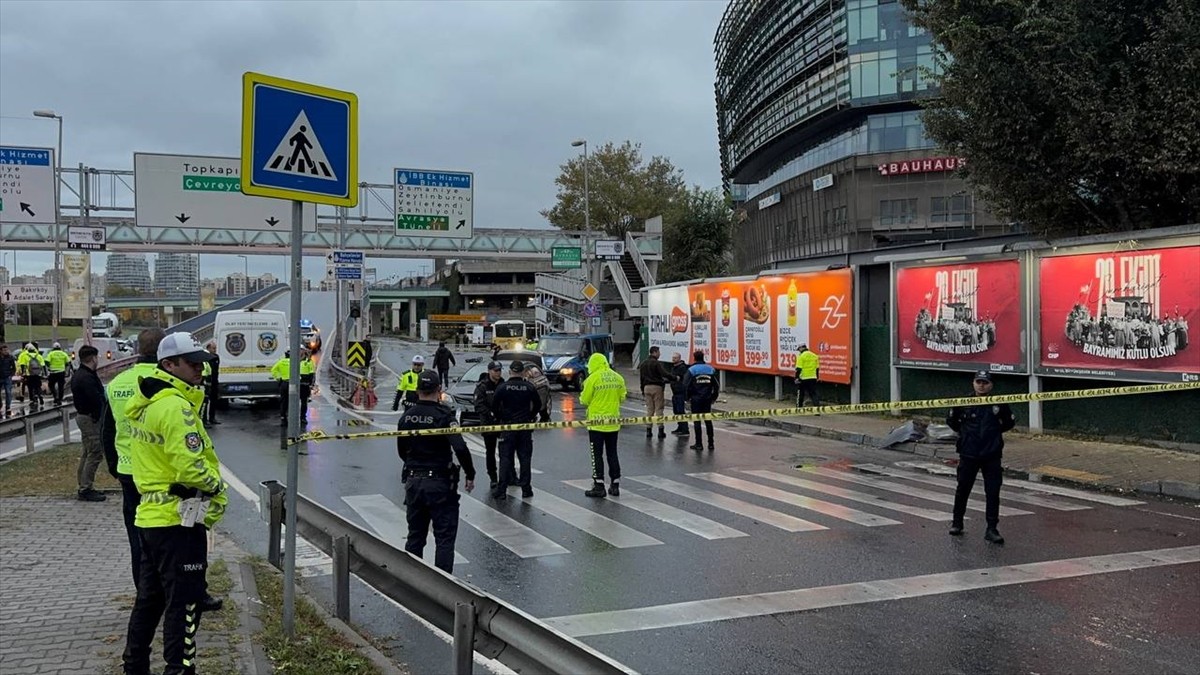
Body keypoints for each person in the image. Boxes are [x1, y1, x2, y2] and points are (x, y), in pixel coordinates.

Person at [122, 332, 226, 675]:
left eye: (202, 362)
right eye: (191, 363)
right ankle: (179, 670)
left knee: (149, 601)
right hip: (178, 519)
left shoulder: (147, 401)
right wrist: (217, 487)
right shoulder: (175, 406)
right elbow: (190, 467)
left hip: (150, 516)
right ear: (168, 365)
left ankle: (134, 666)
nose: (200, 369)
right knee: (185, 604)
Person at [103, 328, 165, 589]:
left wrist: (114, 467)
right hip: (161, 472)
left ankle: (143, 591)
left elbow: (107, 430)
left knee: (136, 535)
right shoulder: (168, 380)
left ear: (138, 349)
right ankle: (169, 589)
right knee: (168, 534)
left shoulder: (117, 383)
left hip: (128, 470)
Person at [396, 369, 476, 574]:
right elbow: (460, 448)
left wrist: (415, 463)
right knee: (444, 538)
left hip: (414, 483)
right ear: (439, 390)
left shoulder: (407, 417)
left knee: (415, 537)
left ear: (417, 390)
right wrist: (470, 474)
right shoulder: (444, 416)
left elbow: (401, 450)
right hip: (440, 484)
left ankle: (412, 582)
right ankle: (442, 585)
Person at [946, 369, 1016, 544]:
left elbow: (1008, 423)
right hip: (969, 453)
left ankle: (992, 528)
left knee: (992, 492)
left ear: (991, 385)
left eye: (985, 383)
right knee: (963, 489)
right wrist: (966, 435)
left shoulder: (999, 404)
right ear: (973, 383)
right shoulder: (963, 402)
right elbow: (952, 421)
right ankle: (957, 523)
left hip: (991, 454)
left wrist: (993, 434)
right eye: (979, 382)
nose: (982, 386)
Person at [490, 360, 541, 501]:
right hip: (524, 427)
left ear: (510, 371)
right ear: (523, 372)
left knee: (505, 458)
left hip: (508, 427)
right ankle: (526, 489)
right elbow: (538, 404)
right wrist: (530, 416)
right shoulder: (529, 387)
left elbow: (494, 406)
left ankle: (502, 490)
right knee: (525, 459)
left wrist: (501, 417)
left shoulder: (502, 387)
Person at [579, 352, 627, 498]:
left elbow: (584, 400)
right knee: (612, 453)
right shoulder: (617, 377)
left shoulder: (592, 378)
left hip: (596, 424)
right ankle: (615, 484)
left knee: (596, 455)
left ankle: (599, 485)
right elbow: (622, 397)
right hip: (613, 423)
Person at [71, 345, 108, 502]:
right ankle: (86, 488)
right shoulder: (86, 378)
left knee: (87, 453)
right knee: (95, 452)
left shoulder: (81, 374)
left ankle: (83, 485)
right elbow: (96, 399)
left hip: (85, 416)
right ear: (93, 358)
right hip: (90, 418)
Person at [472, 361, 505, 488]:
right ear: (489, 371)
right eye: (496, 370)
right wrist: (490, 413)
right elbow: (478, 405)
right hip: (488, 423)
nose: (498, 373)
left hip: (502, 422)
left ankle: (508, 475)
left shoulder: (503, 384)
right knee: (490, 452)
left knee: (506, 451)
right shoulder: (482, 386)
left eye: (499, 370)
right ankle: (493, 477)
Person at [683, 350, 719, 451]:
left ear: (694, 358)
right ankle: (711, 443)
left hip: (696, 399)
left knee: (697, 421)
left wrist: (687, 398)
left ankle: (699, 444)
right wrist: (714, 398)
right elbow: (716, 386)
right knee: (708, 420)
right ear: (703, 357)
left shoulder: (691, 370)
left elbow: (685, 385)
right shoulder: (710, 369)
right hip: (707, 399)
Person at [638, 345, 674, 438]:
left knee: (650, 409)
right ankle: (660, 430)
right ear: (654, 352)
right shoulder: (656, 363)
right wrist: (674, 378)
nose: (659, 354)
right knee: (659, 409)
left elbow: (641, 378)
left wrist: (642, 389)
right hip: (656, 387)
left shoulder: (643, 363)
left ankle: (648, 430)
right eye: (658, 352)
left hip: (646, 388)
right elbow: (664, 374)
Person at [668, 352, 690, 435]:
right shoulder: (674, 367)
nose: (673, 359)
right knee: (676, 411)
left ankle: (685, 429)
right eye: (673, 358)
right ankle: (680, 427)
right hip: (675, 392)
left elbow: (684, 380)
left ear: (679, 358)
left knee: (680, 411)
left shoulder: (682, 368)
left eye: (675, 358)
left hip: (680, 392)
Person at [19, 344, 45, 411]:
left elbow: (22, 365)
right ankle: (40, 395)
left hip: (29, 374)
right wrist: (44, 373)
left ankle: (33, 399)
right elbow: (43, 365)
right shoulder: (39, 356)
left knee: (31, 387)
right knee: (38, 386)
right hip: (38, 374)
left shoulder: (25, 356)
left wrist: (23, 373)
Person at [795, 343, 820, 409]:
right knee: (814, 394)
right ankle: (817, 409)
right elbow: (817, 368)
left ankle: (799, 408)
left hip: (803, 378)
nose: (799, 351)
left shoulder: (801, 356)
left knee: (800, 393)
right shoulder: (814, 356)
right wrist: (817, 377)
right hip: (813, 377)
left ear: (801, 348)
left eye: (799, 349)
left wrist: (796, 378)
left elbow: (798, 369)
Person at [270, 350, 292, 425]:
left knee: (283, 401)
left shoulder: (281, 362)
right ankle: (292, 417)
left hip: (284, 383)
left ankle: (283, 418)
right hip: (292, 384)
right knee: (292, 400)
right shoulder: (294, 362)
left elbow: (273, 370)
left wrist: (278, 378)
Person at [45, 341, 71, 406]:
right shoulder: (64, 354)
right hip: (61, 372)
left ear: (53, 348)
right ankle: (60, 399)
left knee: (51, 385)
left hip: (53, 372)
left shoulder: (51, 354)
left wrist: (49, 367)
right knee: (61, 386)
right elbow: (68, 362)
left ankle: (55, 396)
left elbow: (46, 361)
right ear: (60, 347)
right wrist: (65, 367)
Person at [202, 341, 221, 425]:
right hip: (207, 382)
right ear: (208, 348)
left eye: (215, 348)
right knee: (205, 402)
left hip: (214, 381)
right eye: (213, 348)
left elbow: (216, 370)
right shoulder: (205, 358)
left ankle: (212, 418)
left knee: (214, 400)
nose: (215, 350)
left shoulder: (216, 357)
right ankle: (204, 419)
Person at [298, 348, 316, 424]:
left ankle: (302, 417)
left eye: (302, 352)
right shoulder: (293, 361)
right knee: (292, 402)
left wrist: (311, 384)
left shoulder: (308, 362)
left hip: (304, 385)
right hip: (296, 385)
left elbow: (312, 374)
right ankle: (293, 417)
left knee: (304, 402)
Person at [0, 344, 15, 417]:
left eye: (7, 350)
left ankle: (8, 407)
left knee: (8, 392)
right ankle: (0, 404)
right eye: (4, 350)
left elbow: (13, 367)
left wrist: (11, 374)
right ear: (1, 351)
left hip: (7, 377)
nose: (6, 351)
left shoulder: (10, 357)